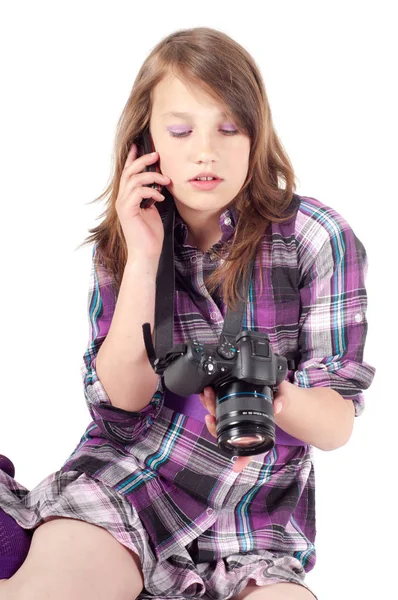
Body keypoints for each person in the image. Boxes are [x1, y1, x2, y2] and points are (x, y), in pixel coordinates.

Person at [0, 26, 375, 600]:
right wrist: (144, 254)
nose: (206, 150)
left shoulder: (316, 237)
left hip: (257, 530)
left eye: (230, 128)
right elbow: (121, 403)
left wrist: (272, 392)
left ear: (258, 135)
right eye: (181, 130)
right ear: (145, 142)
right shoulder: (126, 241)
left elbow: (336, 425)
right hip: (127, 490)